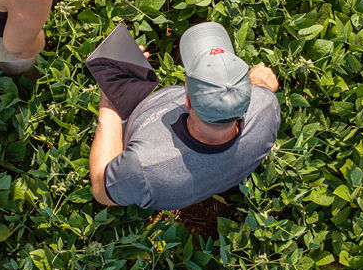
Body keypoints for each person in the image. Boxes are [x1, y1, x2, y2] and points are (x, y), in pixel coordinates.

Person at [88, 22, 281, 210]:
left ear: (187, 101)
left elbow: (100, 189)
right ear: (248, 94)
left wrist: (110, 103)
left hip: (129, 121)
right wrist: (260, 85)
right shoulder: (266, 107)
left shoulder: (144, 168)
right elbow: (263, 90)